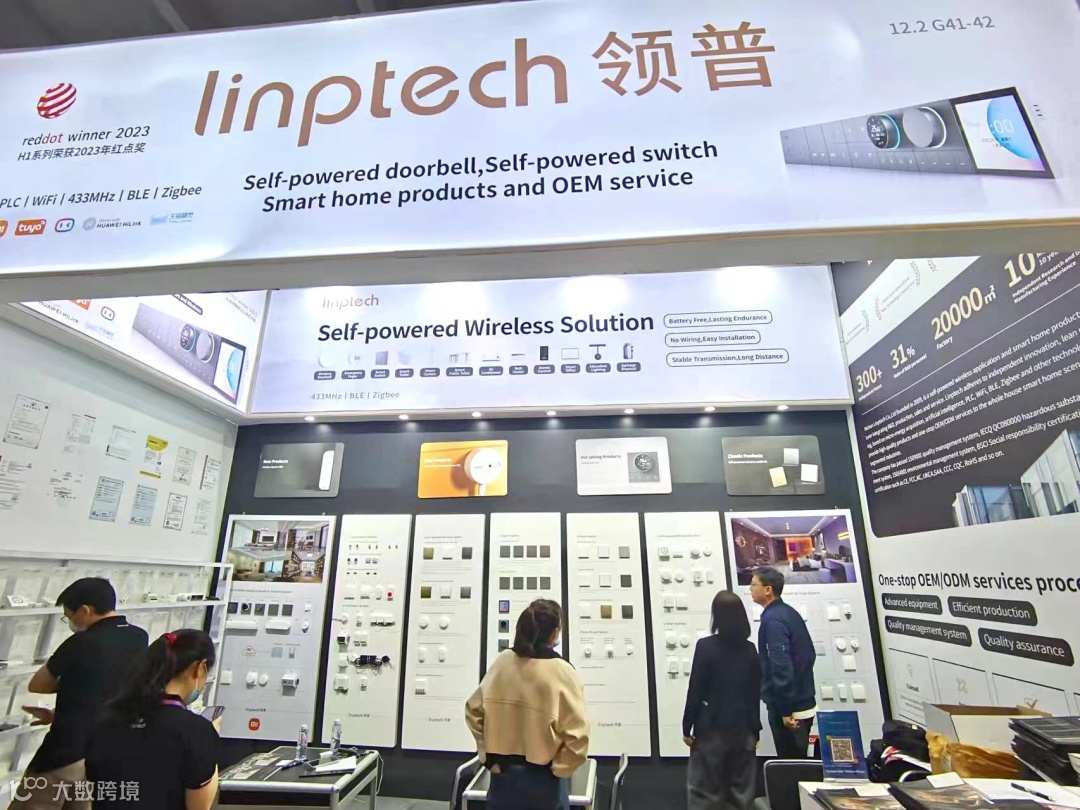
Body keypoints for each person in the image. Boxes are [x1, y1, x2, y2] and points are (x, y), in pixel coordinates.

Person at [10, 578, 148, 810]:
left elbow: (38, 685)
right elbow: (107, 687)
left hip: (66, 752)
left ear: (84, 610)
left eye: (68, 616)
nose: (70, 623)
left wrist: (66, 696)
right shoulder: (139, 637)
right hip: (106, 753)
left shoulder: (81, 642)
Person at [465, 599, 589, 810]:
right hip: (545, 782)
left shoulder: (502, 663)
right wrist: (559, 769)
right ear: (555, 633)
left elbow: (473, 711)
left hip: (503, 779)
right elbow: (578, 738)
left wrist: (488, 758)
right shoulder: (563, 672)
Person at [85, 629, 220, 810]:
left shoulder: (107, 717)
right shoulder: (197, 730)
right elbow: (199, 806)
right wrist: (210, 743)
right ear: (200, 668)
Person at [682, 591, 762, 810]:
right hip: (743, 731)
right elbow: (754, 693)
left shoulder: (705, 647)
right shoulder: (750, 650)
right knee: (741, 795)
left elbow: (696, 689)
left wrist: (687, 725)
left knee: (704, 793)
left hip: (711, 730)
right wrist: (755, 730)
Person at [751, 567, 817, 759]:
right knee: (797, 760)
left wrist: (785, 709)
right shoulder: (787, 613)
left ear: (768, 590)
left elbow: (781, 666)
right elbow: (809, 655)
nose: (750, 589)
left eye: (754, 584)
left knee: (791, 763)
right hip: (801, 701)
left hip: (792, 709)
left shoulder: (774, 620)